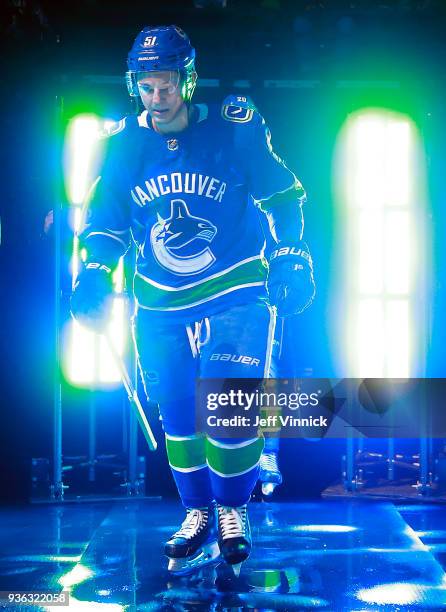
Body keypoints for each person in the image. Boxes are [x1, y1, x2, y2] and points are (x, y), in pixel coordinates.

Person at [71, 25, 315, 574]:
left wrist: (293, 255)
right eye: (146, 86)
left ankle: (233, 512)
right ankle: (197, 513)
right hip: (158, 298)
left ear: (188, 80)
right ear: (135, 85)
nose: (156, 98)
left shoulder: (234, 129)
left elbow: (282, 194)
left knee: (227, 406)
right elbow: (106, 219)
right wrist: (93, 274)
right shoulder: (123, 144)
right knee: (179, 412)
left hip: (234, 285)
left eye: (166, 85)